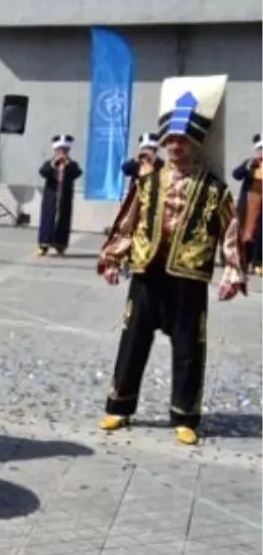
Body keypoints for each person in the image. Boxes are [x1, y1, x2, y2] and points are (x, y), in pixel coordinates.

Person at [96, 75, 246, 446]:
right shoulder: (147, 182)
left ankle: (184, 415)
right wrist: (114, 257)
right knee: (133, 340)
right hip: (147, 271)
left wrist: (233, 272)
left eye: (183, 140)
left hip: (189, 276)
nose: (176, 146)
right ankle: (120, 406)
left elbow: (230, 232)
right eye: (171, 140)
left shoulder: (214, 188)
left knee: (189, 347)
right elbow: (129, 220)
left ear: (196, 144)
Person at [36, 134, 83, 256]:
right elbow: (43, 172)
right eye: (59, 150)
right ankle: (44, 244)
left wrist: (67, 165)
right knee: (47, 218)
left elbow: (77, 172)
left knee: (63, 219)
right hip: (51, 195)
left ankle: (60, 244)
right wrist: (54, 165)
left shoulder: (72, 164)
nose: (62, 152)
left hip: (65, 196)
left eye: (65, 150)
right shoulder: (50, 163)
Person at [230, 132, 263, 274]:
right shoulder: (251, 163)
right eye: (260, 149)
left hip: (262, 205)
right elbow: (236, 175)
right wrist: (247, 167)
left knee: (259, 233)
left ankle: (257, 262)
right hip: (249, 203)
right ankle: (243, 261)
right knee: (245, 231)